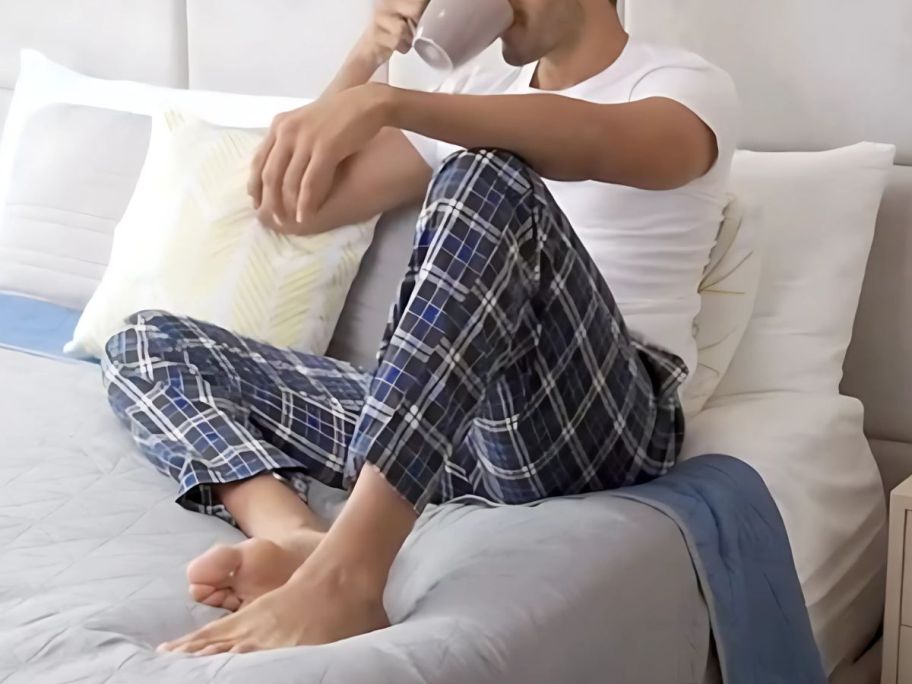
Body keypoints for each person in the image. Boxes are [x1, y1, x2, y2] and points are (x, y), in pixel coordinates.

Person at [102, 0, 738, 655]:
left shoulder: (682, 85)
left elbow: (600, 139)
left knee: (485, 171)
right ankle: (301, 540)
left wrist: (396, 104)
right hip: (442, 420)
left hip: (596, 419)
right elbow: (294, 207)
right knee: (148, 343)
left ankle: (352, 573)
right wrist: (366, 61)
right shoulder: (474, 92)